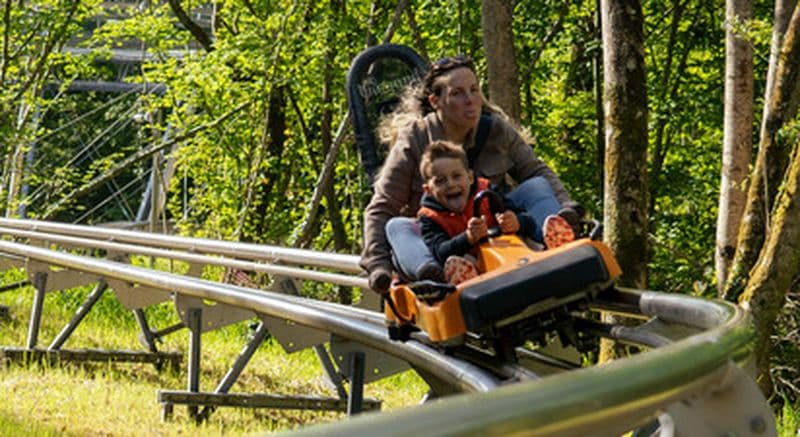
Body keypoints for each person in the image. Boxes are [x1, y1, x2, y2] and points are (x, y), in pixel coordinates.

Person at [361, 55, 580, 293]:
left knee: (535, 184)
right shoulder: (414, 138)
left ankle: (559, 238)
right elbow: (382, 207)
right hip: (442, 242)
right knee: (397, 226)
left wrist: (568, 208)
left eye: (474, 90)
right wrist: (378, 265)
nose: (469, 100)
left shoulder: (496, 129)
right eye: (457, 94)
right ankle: (436, 276)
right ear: (436, 101)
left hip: (497, 233)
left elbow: (536, 170)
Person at [416, 140, 530, 284]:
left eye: (457, 176)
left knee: (527, 237)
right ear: (428, 191)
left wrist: (516, 222)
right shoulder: (429, 216)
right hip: (472, 264)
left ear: (470, 177)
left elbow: (526, 218)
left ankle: (554, 241)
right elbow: (440, 251)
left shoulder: (487, 192)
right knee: (455, 262)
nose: (450, 184)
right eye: (440, 181)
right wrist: (468, 237)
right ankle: (466, 281)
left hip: (509, 252)